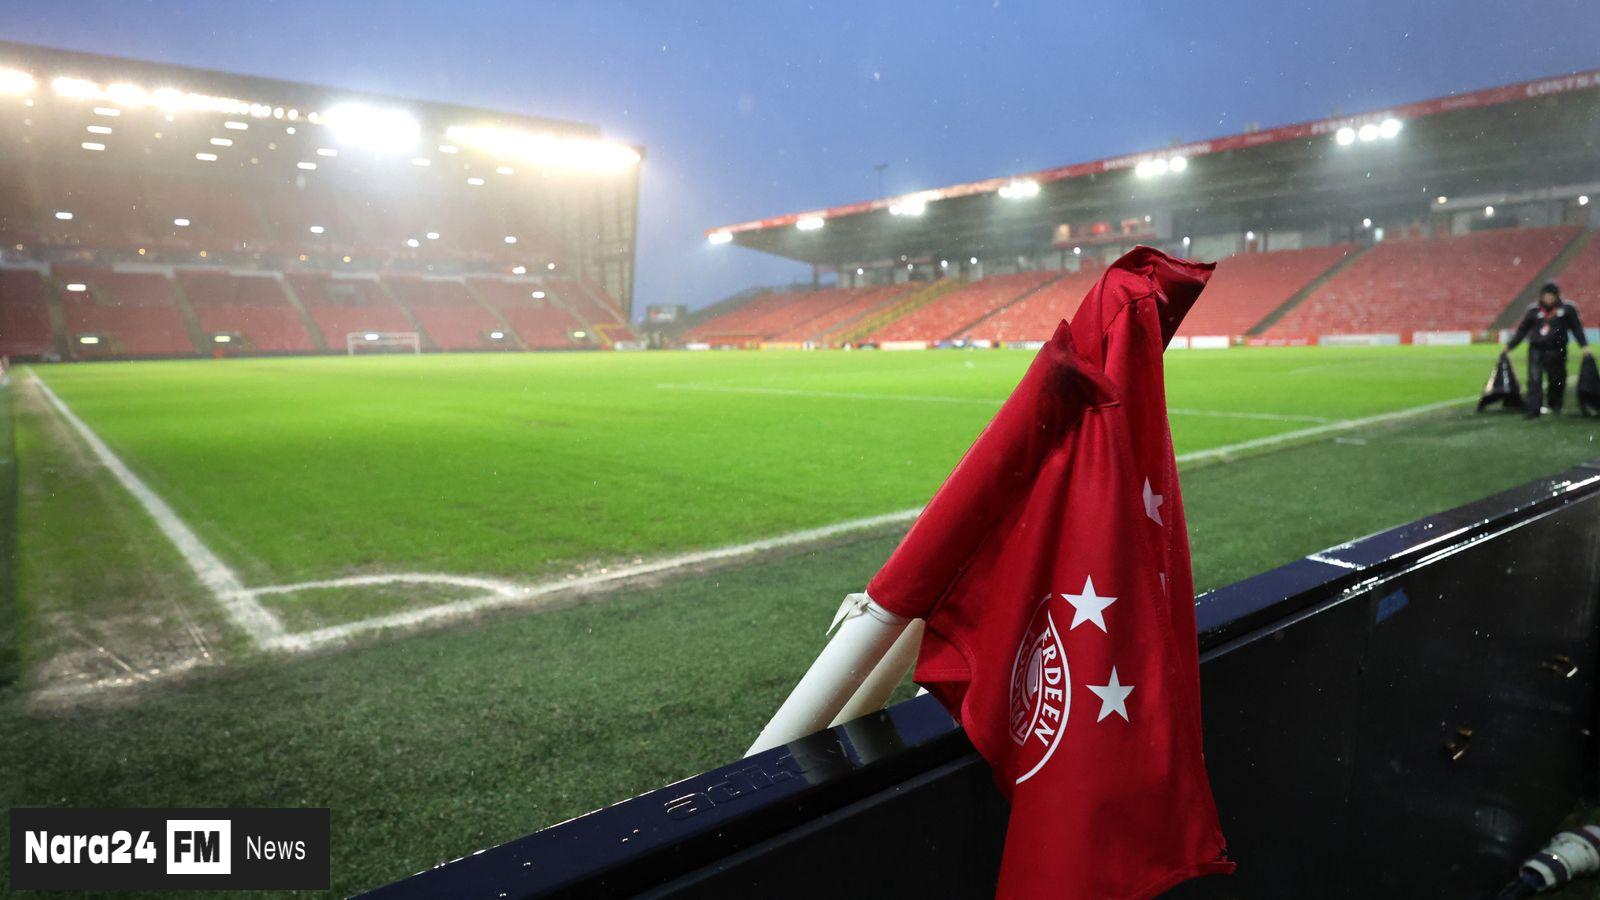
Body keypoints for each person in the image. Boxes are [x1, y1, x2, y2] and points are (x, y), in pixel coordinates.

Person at [1503, 282, 1592, 418]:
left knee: (1557, 379)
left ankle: (1555, 404)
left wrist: (1584, 346)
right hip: (1536, 350)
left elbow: (1577, 328)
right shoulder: (1533, 311)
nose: (1548, 299)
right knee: (1534, 379)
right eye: (1546, 296)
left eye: (1551, 296)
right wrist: (1510, 346)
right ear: (1541, 296)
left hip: (1558, 349)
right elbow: (1522, 330)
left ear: (1557, 296)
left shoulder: (1567, 309)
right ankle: (1534, 408)